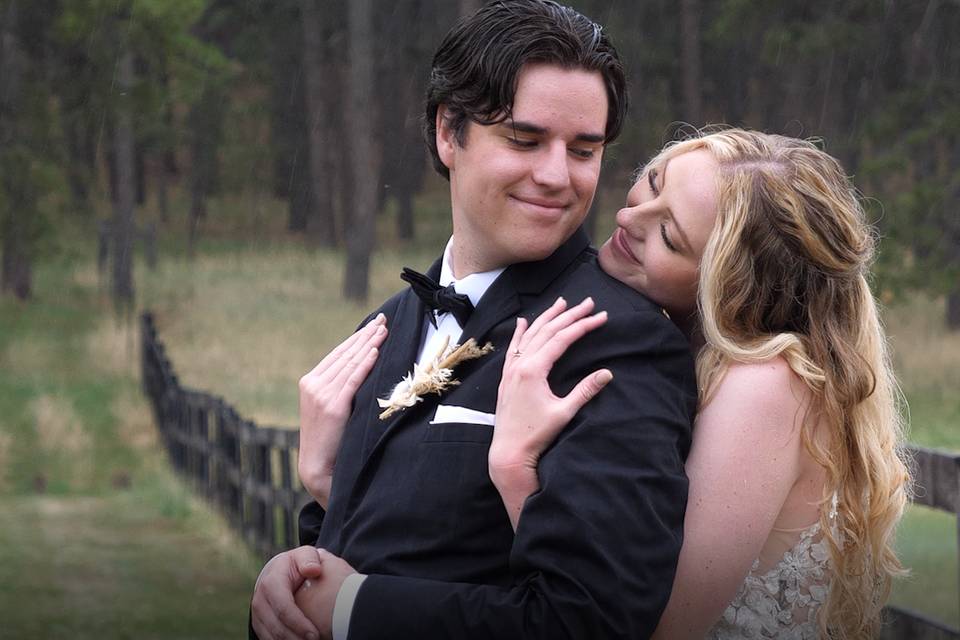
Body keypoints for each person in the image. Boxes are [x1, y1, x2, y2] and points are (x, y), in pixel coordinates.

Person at [249, 2, 697, 639]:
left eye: (583, 149)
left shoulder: (615, 341)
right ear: (446, 133)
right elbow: (395, 544)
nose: (555, 175)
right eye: (524, 139)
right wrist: (293, 570)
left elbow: (590, 621)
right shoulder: (383, 328)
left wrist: (349, 611)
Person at [489, 128, 911, 639]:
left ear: (728, 285)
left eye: (670, 235)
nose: (628, 217)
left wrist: (514, 469)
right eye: (653, 182)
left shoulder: (765, 388)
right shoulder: (689, 358)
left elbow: (649, 630)